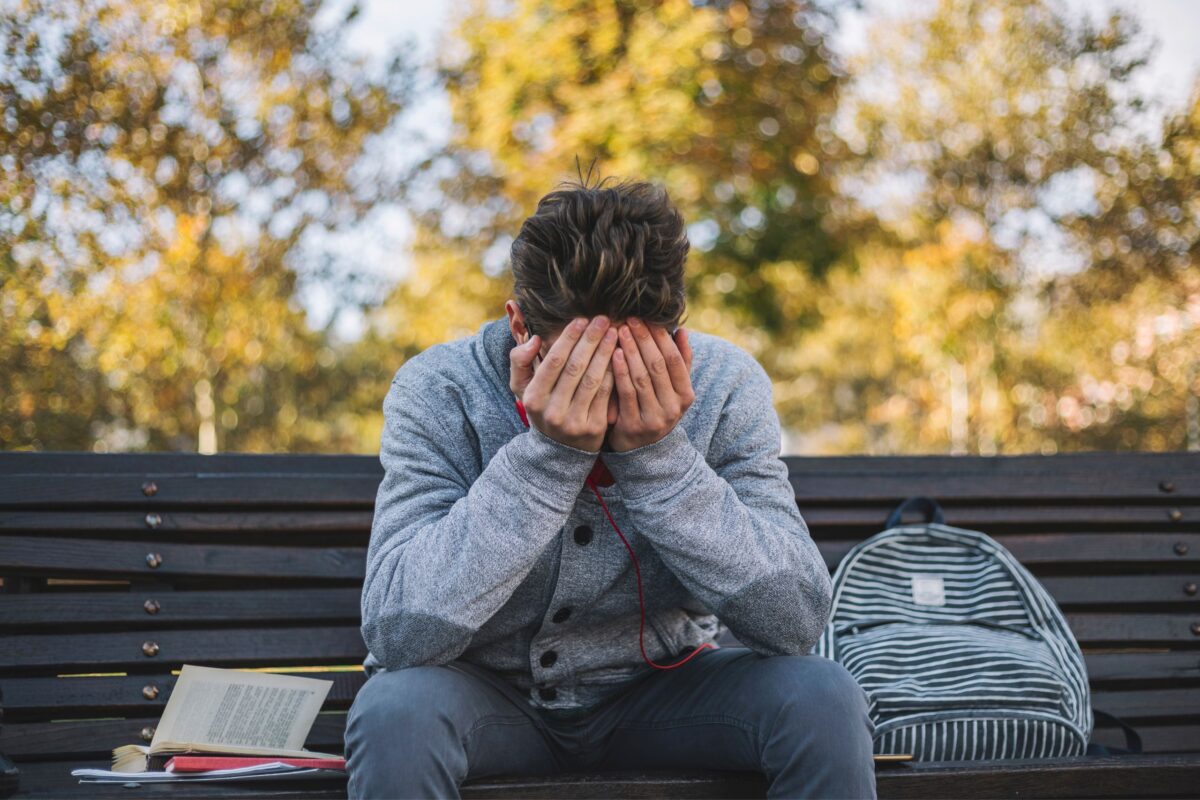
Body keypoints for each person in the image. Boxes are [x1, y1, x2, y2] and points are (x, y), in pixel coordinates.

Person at [344, 175, 877, 799]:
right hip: (484, 700)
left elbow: (795, 621)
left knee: (821, 696)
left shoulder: (727, 383)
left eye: (629, 367)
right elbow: (399, 632)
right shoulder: (438, 389)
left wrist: (661, 461)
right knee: (396, 713)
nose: (603, 393)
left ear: (675, 340)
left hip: (665, 695)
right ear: (520, 327)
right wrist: (547, 456)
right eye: (576, 367)